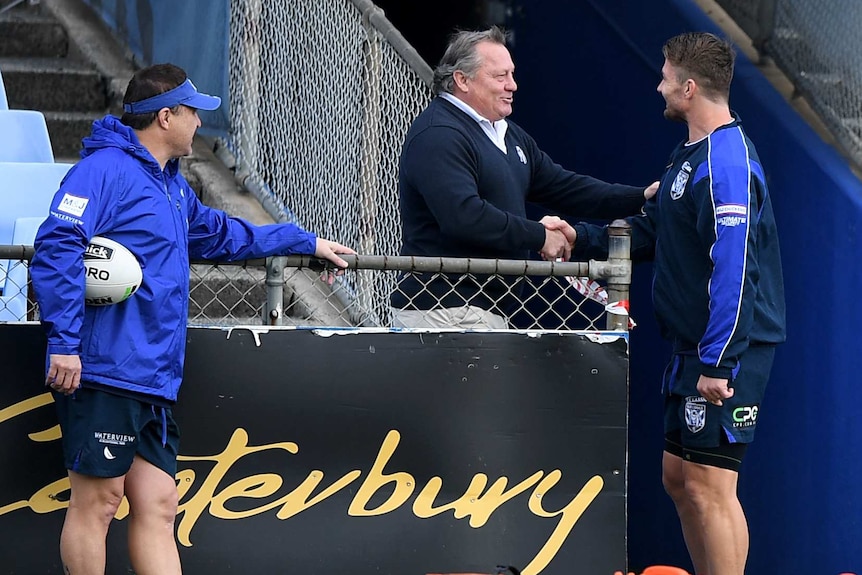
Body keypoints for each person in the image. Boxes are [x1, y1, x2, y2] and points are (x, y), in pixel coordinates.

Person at [29, 63, 354, 575]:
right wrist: (64, 340)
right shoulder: (105, 169)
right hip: (105, 369)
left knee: (158, 503)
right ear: (165, 116)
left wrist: (304, 243)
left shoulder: (174, 189)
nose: (200, 124)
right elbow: (56, 245)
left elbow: (226, 235)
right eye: (193, 113)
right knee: (99, 503)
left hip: (154, 377)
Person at [570, 33, 786, 575]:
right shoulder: (688, 154)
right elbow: (654, 233)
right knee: (679, 478)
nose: (658, 84)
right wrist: (579, 237)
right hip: (691, 343)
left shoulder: (728, 163)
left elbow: (735, 273)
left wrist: (718, 361)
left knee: (712, 486)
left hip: (728, 347)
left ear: (689, 89)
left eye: (666, 76)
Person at [390, 26, 657, 329]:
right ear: (462, 80)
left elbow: (565, 187)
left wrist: (640, 197)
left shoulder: (507, 133)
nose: (512, 85)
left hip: (483, 313)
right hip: (445, 311)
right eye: (500, 76)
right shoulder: (439, 134)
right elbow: (463, 215)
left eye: (512, 74)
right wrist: (540, 235)